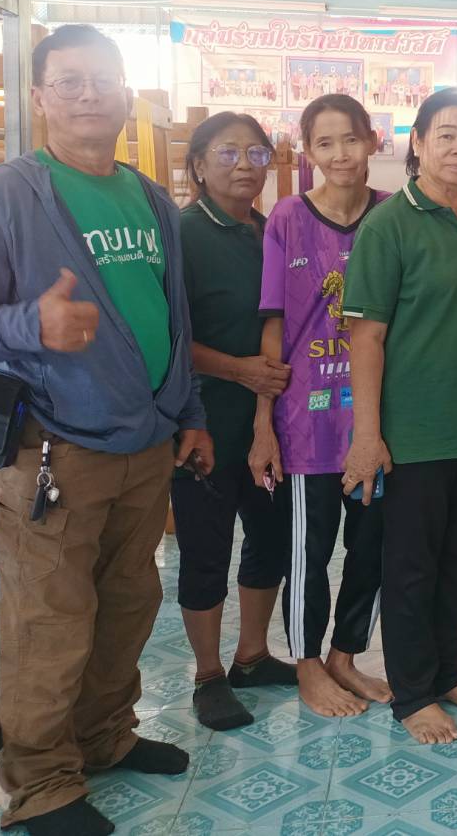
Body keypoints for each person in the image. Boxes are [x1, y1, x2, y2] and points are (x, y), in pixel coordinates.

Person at [0, 25, 211, 836]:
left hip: (146, 444)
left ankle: (104, 737)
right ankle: (42, 785)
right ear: (40, 97)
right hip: (53, 448)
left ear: (126, 93)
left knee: (128, 602)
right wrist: (33, 323)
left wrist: (190, 414)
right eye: (70, 81)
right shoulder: (4, 195)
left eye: (103, 79)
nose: (89, 94)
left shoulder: (150, 198)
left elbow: (173, 315)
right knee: (48, 620)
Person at [340, 88, 457, 744]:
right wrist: (367, 435)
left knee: (456, 562)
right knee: (410, 568)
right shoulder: (389, 225)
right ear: (418, 142)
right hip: (411, 433)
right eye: (446, 134)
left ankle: (447, 674)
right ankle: (412, 694)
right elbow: (366, 338)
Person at [249, 93, 389, 718]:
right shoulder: (287, 218)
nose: (340, 154)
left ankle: (345, 656)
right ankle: (306, 663)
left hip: (377, 419)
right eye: (324, 143)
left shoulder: (392, 214)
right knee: (308, 552)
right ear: (307, 152)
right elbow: (274, 325)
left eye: (350, 139)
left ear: (372, 141)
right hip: (307, 421)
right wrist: (264, 424)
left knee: (373, 545)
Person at [173, 112, 297, 731]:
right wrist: (239, 371)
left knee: (270, 536)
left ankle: (252, 656)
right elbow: (167, 337)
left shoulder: (273, 230)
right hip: (203, 419)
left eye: (256, 153)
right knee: (206, 548)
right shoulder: (183, 234)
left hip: (270, 419)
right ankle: (208, 675)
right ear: (198, 165)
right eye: (227, 153)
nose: (244, 164)